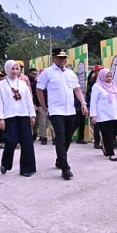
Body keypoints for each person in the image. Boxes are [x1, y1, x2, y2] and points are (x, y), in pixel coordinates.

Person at [36, 48, 89, 180]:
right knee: (60, 136)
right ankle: (65, 168)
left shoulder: (70, 73)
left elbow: (77, 89)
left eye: (65, 57)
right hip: (56, 110)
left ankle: (60, 159)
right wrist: (43, 105)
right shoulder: (47, 73)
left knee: (67, 136)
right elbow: (39, 89)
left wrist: (83, 103)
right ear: (53, 58)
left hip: (70, 110)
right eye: (60, 57)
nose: (63, 60)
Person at [0, 60, 37, 176]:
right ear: (7, 69)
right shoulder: (1, 85)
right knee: (11, 141)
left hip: (24, 115)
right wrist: (1, 118)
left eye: (17, 69)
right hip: (9, 116)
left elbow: (29, 100)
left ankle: (27, 169)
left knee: (27, 142)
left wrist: (32, 115)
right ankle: (6, 163)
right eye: (12, 69)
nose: (15, 71)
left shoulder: (23, 84)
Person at [89, 68, 117, 161]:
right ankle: (111, 154)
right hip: (103, 115)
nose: (109, 78)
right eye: (107, 76)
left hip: (116, 114)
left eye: (110, 76)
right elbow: (93, 102)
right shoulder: (97, 86)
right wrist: (93, 115)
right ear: (102, 76)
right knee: (108, 135)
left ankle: (105, 146)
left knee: (115, 131)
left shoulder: (114, 86)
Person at [85, 66, 103, 150]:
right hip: (94, 105)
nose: (100, 72)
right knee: (96, 125)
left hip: (103, 106)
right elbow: (88, 94)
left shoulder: (105, 80)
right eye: (98, 71)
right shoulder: (92, 81)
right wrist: (88, 106)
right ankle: (97, 142)